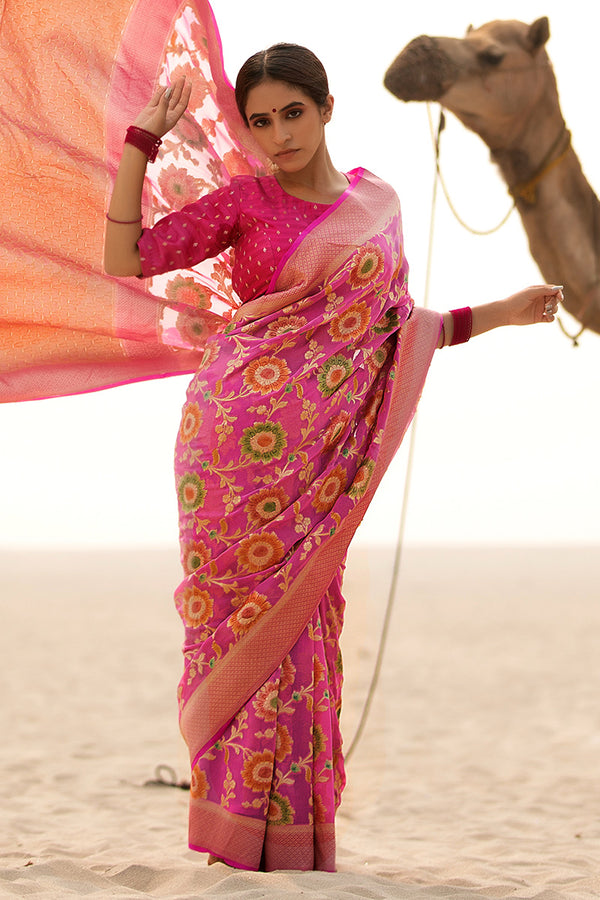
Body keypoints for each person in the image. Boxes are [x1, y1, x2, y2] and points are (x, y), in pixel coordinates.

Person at [103, 41, 562, 873]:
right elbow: (124, 259)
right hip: (230, 446)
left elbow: (397, 324)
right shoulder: (244, 203)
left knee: (307, 626)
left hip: (317, 466)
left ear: (325, 109)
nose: (279, 135)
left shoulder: (376, 203)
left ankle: (292, 844)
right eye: (261, 121)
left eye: (293, 114)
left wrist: (506, 310)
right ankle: (237, 844)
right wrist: (140, 142)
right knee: (236, 629)